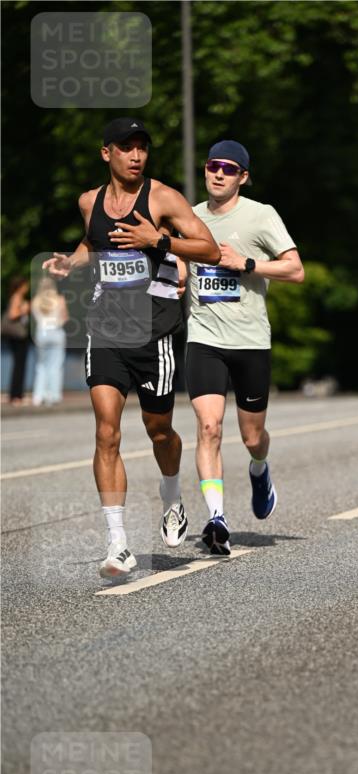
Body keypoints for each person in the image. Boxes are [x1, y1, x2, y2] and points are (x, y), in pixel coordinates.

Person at [43, 118, 220, 578]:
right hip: (104, 330)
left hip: (154, 332)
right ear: (107, 153)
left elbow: (210, 249)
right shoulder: (89, 202)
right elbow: (93, 242)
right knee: (107, 431)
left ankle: (171, 492)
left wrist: (157, 240)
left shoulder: (162, 198)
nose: (137, 155)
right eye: (127, 147)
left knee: (158, 429)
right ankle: (118, 543)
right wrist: (71, 260)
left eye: (142, 147)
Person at [184, 140, 304, 555]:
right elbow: (178, 264)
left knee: (252, 436)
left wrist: (248, 264)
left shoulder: (260, 216)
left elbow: (296, 269)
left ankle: (259, 469)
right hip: (204, 339)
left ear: (242, 177)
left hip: (251, 340)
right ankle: (217, 518)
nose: (218, 173)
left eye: (228, 169)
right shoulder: (190, 218)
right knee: (209, 427)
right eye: (212, 166)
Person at [31, 275, 68, 405]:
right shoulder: (59, 300)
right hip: (56, 332)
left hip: (41, 333)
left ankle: (38, 396)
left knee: (41, 365)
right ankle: (54, 396)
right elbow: (64, 318)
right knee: (56, 365)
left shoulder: (35, 301)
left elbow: (36, 320)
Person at [2, 276, 31, 405]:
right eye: (25, 285)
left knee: (19, 365)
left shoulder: (16, 297)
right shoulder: (17, 297)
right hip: (17, 336)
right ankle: (16, 396)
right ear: (21, 286)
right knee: (19, 366)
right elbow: (12, 315)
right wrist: (24, 310)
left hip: (17, 336)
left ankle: (16, 394)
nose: (27, 287)